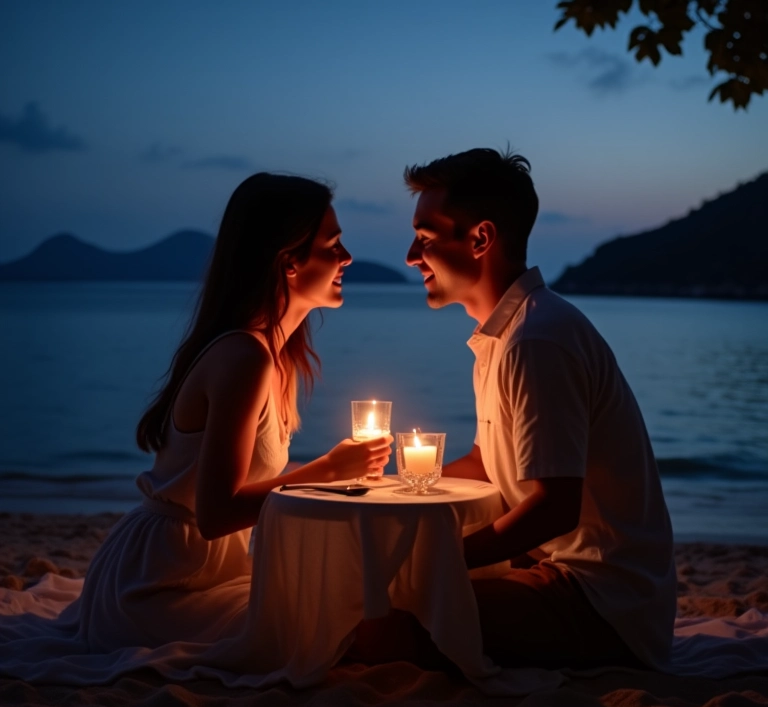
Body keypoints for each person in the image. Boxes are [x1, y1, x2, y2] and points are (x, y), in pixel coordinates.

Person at [0, 172, 391, 679]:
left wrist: (338, 478)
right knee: (333, 627)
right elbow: (217, 512)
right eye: (334, 245)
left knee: (346, 604)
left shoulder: (275, 353)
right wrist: (328, 470)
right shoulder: (244, 356)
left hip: (201, 570)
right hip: (160, 584)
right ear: (289, 260)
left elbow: (251, 480)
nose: (347, 259)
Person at [402, 147, 677, 670]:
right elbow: (488, 464)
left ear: (481, 238)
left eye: (425, 239)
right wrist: (398, 488)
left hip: (600, 600)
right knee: (387, 590)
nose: (413, 258)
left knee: (386, 619)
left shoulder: (536, 340)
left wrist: (444, 561)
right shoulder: (503, 336)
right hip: (560, 575)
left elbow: (554, 507)